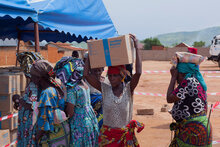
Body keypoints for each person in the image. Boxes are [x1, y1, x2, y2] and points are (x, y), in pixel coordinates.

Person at [84, 34, 144, 146]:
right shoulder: (105, 89)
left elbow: (139, 72)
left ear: (121, 76)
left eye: (115, 76)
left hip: (124, 138)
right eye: (110, 76)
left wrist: (137, 46)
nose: (111, 79)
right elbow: (86, 74)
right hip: (108, 138)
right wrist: (90, 52)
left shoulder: (129, 89)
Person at [167, 54, 212, 147]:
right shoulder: (197, 81)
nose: (177, 79)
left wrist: (173, 78)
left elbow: (169, 98)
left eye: (178, 74)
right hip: (199, 127)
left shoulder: (188, 81)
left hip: (193, 131)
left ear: (182, 73)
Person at [54, 56, 99, 146]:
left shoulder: (72, 89)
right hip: (90, 120)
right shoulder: (84, 85)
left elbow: (70, 112)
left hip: (79, 124)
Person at [30, 60, 69, 146]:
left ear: (39, 78)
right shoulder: (57, 87)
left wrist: (36, 138)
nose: (31, 79)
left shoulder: (47, 93)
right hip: (62, 131)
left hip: (52, 136)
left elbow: (44, 123)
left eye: (32, 76)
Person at [14, 52, 44, 147]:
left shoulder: (34, 85)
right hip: (28, 123)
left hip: (30, 124)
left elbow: (33, 106)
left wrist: (20, 100)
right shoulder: (34, 83)